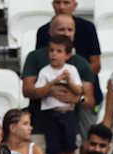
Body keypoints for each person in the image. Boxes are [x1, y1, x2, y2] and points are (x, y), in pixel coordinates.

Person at [34, 0, 103, 136]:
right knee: (55, 144)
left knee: (87, 139)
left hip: (85, 96)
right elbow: (41, 64)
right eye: (58, 3)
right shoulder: (43, 32)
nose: (61, 7)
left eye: (66, 2)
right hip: (53, 97)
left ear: (75, 5)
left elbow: (96, 65)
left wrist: (73, 78)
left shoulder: (88, 28)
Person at [34, 35, 83, 154]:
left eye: (59, 51)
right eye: (51, 50)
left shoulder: (71, 70)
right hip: (51, 115)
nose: (54, 54)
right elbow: (38, 92)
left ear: (67, 55)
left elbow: (79, 91)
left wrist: (69, 81)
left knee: (70, 149)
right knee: (53, 151)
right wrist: (54, 82)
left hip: (68, 114)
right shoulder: (45, 71)